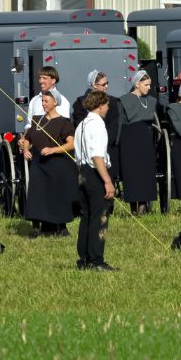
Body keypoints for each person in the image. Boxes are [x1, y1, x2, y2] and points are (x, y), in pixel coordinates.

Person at [21, 91, 77, 236]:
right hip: (38, 163)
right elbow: (28, 138)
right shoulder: (36, 119)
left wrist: (53, 150)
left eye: (46, 101)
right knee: (37, 194)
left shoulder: (64, 122)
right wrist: (26, 149)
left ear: (55, 103)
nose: (43, 104)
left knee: (56, 194)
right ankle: (36, 228)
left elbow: (71, 144)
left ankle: (61, 227)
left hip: (56, 163)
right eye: (43, 101)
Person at [74, 90, 117, 271]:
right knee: (99, 217)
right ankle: (96, 260)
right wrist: (107, 181)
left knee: (86, 216)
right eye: (106, 104)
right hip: (94, 173)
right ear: (100, 105)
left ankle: (84, 258)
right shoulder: (98, 124)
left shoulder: (82, 125)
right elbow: (97, 156)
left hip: (82, 173)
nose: (107, 108)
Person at [118, 70, 158, 215]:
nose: (149, 88)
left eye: (150, 85)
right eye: (146, 85)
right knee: (132, 172)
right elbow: (121, 122)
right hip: (129, 138)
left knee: (145, 171)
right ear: (137, 84)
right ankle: (133, 207)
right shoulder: (124, 100)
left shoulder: (151, 100)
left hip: (145, 137)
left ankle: (142, 204)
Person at [71, 70, 120, 168]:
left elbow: (114, 126)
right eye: (103, 84)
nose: (107, 86)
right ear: (94, 85)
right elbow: (81, 126)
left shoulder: (113, 102)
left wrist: (104, 142)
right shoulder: (80, 103)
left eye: (107, 83)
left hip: (108, 148)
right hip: (88, 150)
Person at [25, 66, 68, 132]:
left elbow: (63, 126)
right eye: (40, 78)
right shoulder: (34, 100)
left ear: (53, 80)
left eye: (44, 78)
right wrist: (25, 137)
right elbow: (29, 124)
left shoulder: (62, 100)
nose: (41, 81)